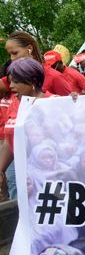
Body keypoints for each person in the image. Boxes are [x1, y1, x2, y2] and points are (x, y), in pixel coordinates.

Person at [0, 58, 55, 199]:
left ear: (34, 81)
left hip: (52, 180)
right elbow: (9, 140)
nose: (11, 86)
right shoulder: (15, 103)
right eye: (10, 81)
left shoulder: (54, 103)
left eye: (16, 82)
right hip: (23, 178)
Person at [1, 31, 72, 96]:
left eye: (15, 53)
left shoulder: (54, 77)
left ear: (29, 49)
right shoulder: (15, 75)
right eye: (9, 54)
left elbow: (70, 105)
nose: (12, 58)